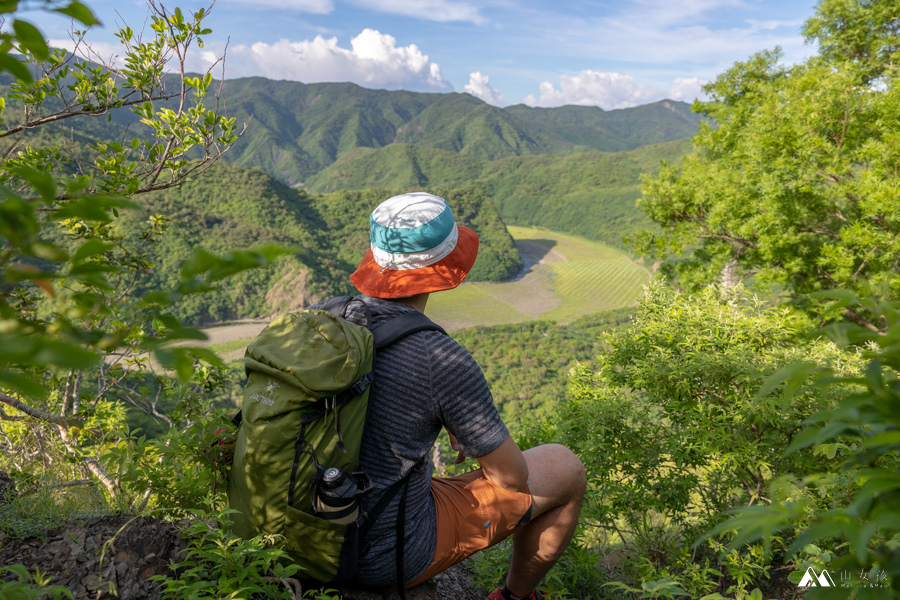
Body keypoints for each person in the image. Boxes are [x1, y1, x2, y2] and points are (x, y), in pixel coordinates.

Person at [313, 192, 586, 600]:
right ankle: (513, 597)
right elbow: (511, 479)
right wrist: (461, 416)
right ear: (443, 268)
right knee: (565, 468)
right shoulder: (439, 359)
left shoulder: (320, 318)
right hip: (376, 555)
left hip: (296, 523)